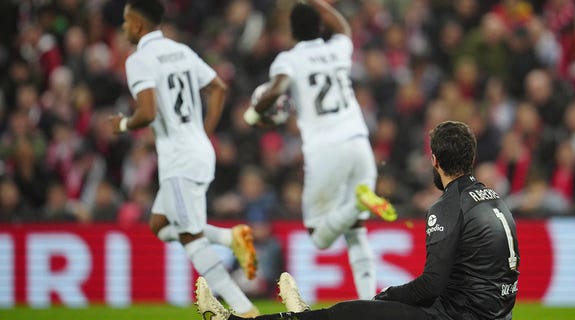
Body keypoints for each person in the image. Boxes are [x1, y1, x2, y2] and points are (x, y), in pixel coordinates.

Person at [196, 121, 521, 320]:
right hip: (488, 314)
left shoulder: (447, 207)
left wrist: (386, 295)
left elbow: (431, 284)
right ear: (472, 157)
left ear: (434, 160)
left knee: (349, 313)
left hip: (456, 317)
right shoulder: (495, 200)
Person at [110, 0, 260, 316]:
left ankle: (244, 309)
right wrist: (203, 132)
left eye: (126, 21)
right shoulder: (182, 51)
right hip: (198, 150)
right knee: (160, 224)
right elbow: (218, 87)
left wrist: (123, 124)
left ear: (137, 24)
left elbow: (147, 112)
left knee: (191, 237)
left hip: (179, 159)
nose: (123, 27)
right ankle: (228, 236)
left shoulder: (139, 60)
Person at [242, 0, 397, 300]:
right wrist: (318, 4)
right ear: (320, 26)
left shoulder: (289, 59)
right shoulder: (337, 48)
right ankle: (368, 302)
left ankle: (358, 203)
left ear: (291, 31)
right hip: (358, 141)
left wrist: (255, 112)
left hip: (326, 149)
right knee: (356, 230)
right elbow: (344, 28)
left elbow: (275, 90)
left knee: (319, 236)